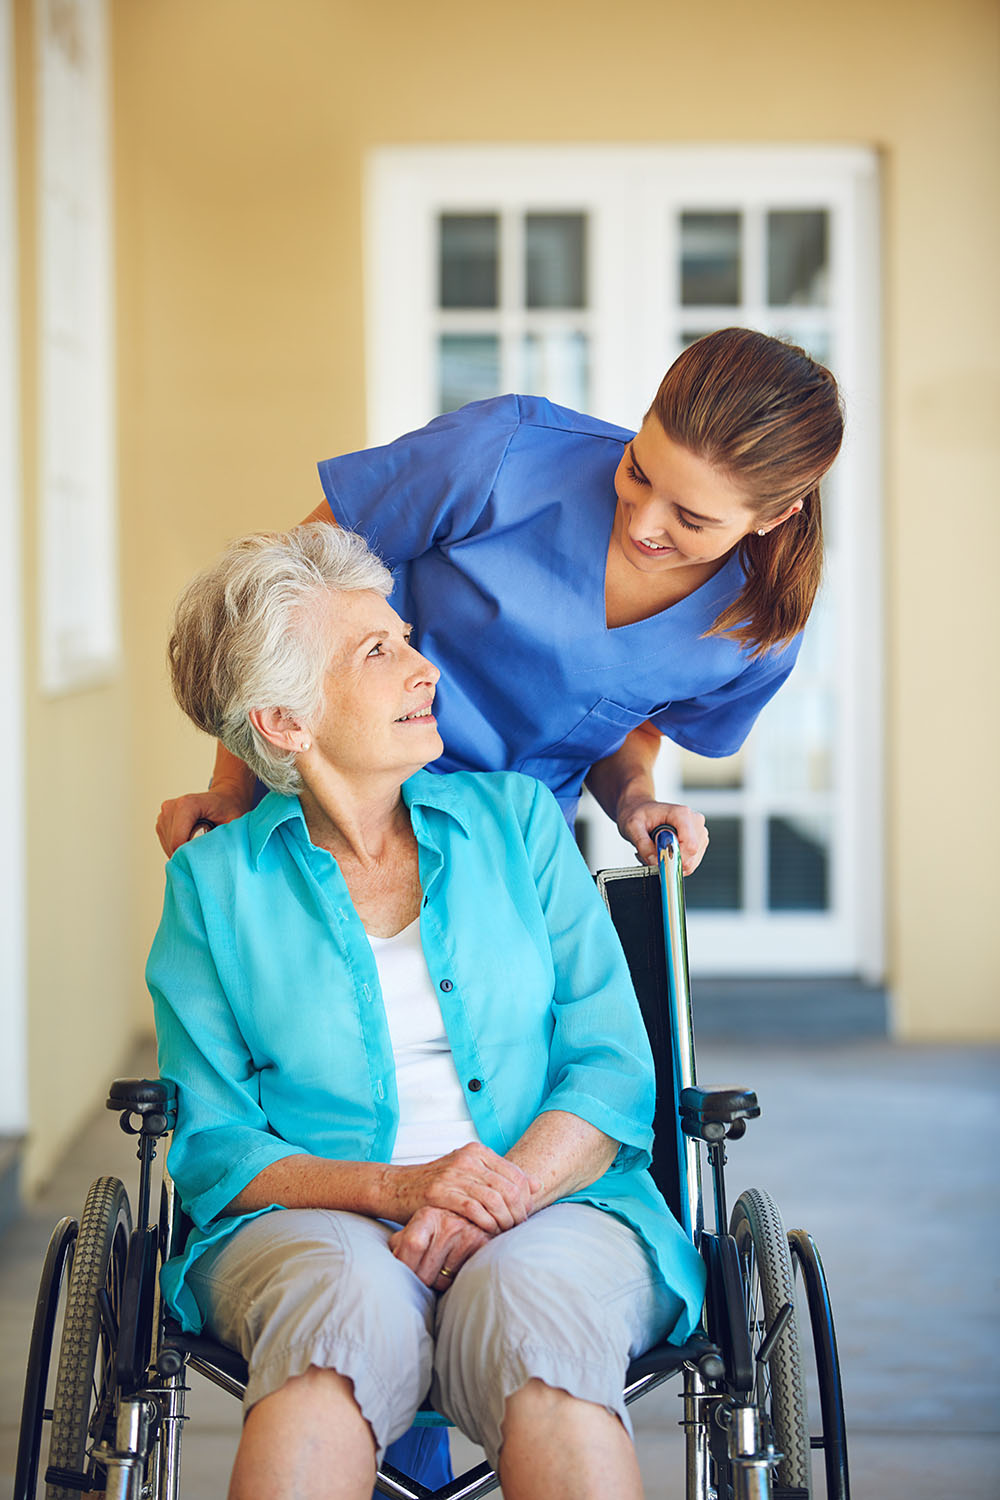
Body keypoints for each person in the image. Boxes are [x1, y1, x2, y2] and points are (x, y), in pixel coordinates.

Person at [148, 524, 707, 1500]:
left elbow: (611, 1065)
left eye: (405, 638)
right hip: (312, 1222)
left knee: (535, 1314)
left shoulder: (520, 825)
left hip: (557, 1202)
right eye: (378, 651)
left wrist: (497, 1198)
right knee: (335, 1321)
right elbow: (214, 1144)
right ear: (284, 721)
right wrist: (400, 1191)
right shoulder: (215, 884)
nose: (424, 669)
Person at [156, 327, 844, 876]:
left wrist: (635, 800)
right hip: (332, 807)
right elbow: (274, 610)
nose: (642, 523)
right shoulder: (497, 455)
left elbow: (627, 723)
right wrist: (229, 789)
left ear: (774, 517)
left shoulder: (758, 632)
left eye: (690, 520)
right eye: (637, 469)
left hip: (510, 858)